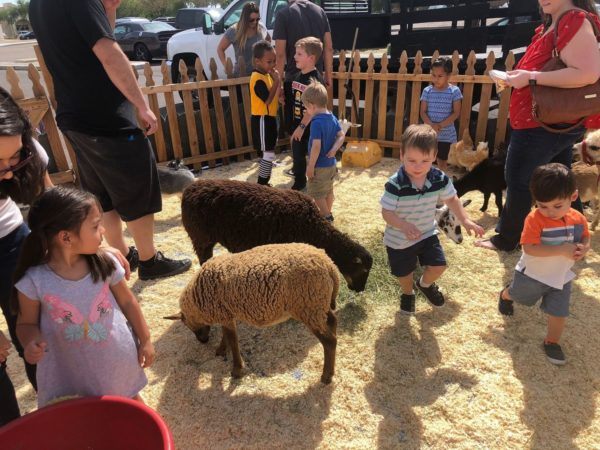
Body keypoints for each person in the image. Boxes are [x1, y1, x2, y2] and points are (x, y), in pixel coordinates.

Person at [29, 0, 191, 280]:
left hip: (74, 115)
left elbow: (95, 37)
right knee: (137, 188)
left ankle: (124, 255)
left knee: (103, 194)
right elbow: (109, 52)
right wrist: (141, 105)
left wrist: (109, 10)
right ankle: (150, 261)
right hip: (107, 115)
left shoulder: (38, 4)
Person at [475, 0, 600, 252]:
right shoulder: (555, 23)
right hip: (550, 122)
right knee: (562, 179)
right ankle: (575, 235)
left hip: (544, 124)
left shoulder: (572, 20)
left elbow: (588, 73)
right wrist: (518, 78)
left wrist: (529, 77)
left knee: (519, 178)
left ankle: (508, 239)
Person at [13, 186, 155, 407]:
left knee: (130, 405)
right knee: (83, 415)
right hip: (69, 367)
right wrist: (30, 342)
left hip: (115, 359)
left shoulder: (105, 263)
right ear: (66, 238)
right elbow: (26, 323)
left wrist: (145, 340)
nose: (104, 231)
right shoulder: (34, 280)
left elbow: (128, 302)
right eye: (96, 226)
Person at [380, 125, 484, 315]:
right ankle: (407, 293)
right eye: (411, 160)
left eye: (424, 160)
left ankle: (425, 284)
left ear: (435, 156)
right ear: (401, 155)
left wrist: (465, 219)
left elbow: (452, 199)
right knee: (404, 273)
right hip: (399, 239)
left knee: (439, 265)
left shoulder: (439, 178)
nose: (418, 166)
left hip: (427, 232)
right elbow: (386, 212)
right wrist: (403, 225)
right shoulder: (395, 184)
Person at [498, 163, 590, 365]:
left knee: (559, 312)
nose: (549, 212)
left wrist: (584, 248)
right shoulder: (534, 219)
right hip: (532, 275)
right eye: (542, 205)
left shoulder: (579, 218)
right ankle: (506, 294)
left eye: (557, 206)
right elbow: (529, 248)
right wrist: (561, 249)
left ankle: (552, 342)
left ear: (573, 197)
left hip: (561, 277)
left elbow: (585, 237)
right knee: (519, 296)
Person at [0, 87, 52, 424]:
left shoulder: (24, 147)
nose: (7, 172)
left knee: (36, 338)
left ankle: (56, 411)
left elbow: (49, 198)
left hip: (11, 240)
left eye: (14, 158)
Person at [273, 0, 333, 152]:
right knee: (315, 122)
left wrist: (278, 85)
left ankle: (299, 164)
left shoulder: (283, 14)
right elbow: (329, 48)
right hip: (315, 78)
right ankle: (312, 162)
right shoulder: (320, 12)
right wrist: (328, 77)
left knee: (295, 126)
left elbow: (280, 55)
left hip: (294, 80)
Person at [302, 80, 345, 221]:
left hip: (319, 165)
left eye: (306, 108)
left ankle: (326, 216)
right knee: (328, 191)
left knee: (316, 193)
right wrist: (334, 149)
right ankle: (326, 214)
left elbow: (316, 146)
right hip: (331, 164)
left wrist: (310, 166)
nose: (307, 111)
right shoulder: (332, 117)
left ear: (312, 106)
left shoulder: (316, 122)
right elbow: (341, 136)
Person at [288, 37, 325, 191]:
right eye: (295, 53)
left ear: (311, 58)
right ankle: (299, 182)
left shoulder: (314, 80)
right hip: (298, 124)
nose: (295, 57)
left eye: (299, 54)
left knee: (314, 157)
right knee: (297, 155)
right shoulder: (297, 76)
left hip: (311, 127)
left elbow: (313, 107)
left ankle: (317, 183)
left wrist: (302, 126)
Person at [419, 57, 462, 172]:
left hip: (446, 135)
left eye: (440, 76)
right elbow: (422, 112)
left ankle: (441, 184)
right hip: (429, 133)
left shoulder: (454, 91)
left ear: (448, 75)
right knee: (426, 160)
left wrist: (440, 125)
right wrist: (432, 125)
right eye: (433, 75)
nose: (436, 79)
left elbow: (456, 112)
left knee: (442, 161)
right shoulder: (427, 91)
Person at [250, 40, 280, 185]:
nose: (273, 65)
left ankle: (264, 182)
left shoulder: (267, 75)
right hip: (262, 118)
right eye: (269, 62)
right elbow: (267, 100)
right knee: (267, 152)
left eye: (274, 61)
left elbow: (273, 96)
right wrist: (277, 82)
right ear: (258, 61)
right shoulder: (257, 78)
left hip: (270, 117)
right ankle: (261, 184)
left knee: (269, 151)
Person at [217, 2, 271, 77]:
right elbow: (220, 49)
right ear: (245, 19)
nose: (255, 22)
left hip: (259, 75)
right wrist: (226, 66)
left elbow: (268, 40)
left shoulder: (261, 28)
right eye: (251, 20)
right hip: (241, 76)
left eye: (257, 19)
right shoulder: (234, 31)